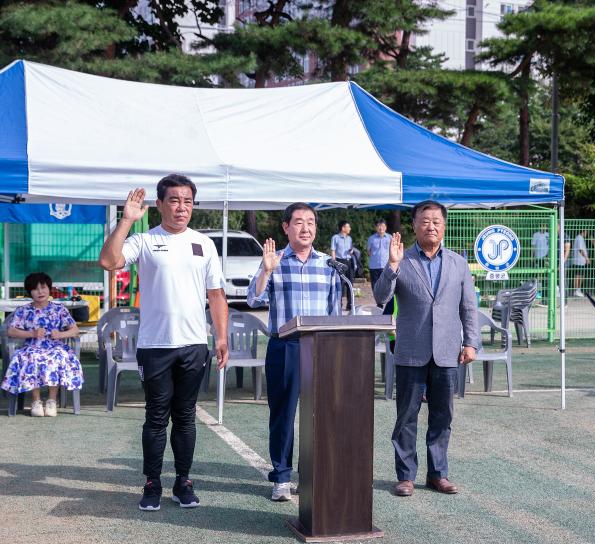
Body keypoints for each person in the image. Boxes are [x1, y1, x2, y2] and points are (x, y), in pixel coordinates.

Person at [99, 175, 229, 512]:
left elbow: (216, 295)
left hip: (193, 345)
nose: (181, 207)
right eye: (174, 200)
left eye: (187, 201)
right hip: (155, 345)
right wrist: (127, 219)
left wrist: (222, 336)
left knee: (185, 416)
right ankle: (152, 482)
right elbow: (108, 262)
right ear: (159, 205)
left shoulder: (205, 244)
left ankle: (183, 481)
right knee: (156, 417)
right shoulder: (143, 240)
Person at [373, 200, 479, 497]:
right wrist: (392, 265)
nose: (430, 226)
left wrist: (471, 342)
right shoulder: (402, 259)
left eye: (436, 221)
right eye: (424, 220)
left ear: (443, 226)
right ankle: (405, 476)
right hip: (410, 350)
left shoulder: (458, 263)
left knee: (443, 416)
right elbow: (381, 298)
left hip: (447, 351)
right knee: (406, 416)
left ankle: (438, 474)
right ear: (414, 225)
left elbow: (468, 307)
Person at [247, 203, 341, 502]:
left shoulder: (328, 265)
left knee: (319, 416)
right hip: (284, 346)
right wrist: (265, 269)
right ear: (286, 227)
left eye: (311, 222)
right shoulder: (274, 262)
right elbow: (253, 298)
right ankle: (282, 478)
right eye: (298, 222)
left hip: (320, 348)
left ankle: (312, 475)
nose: (306, 228)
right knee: (283, 414)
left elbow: (335, 313)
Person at [1, 272, 83, 417]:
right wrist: (31, 334)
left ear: (49, 288)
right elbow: (11, 331)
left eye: (43, 287)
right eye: (35, 289)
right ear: (30, 292)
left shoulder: (59, 309)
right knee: (31, 357)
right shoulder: (23, 310)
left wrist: (60, 334)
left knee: (58, 356)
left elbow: (75, 330)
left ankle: (51, 400)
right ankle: (36, 400)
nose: (40, 292)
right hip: (31, 346)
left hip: (55, 347)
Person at [366, 219, 393, 313]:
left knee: (388, 285)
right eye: (379, 226)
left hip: (386, 265)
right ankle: (379, 303)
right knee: (375, 285)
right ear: (376, 227)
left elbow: (392, 251)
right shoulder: (371, 238)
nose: (381, 228)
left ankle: (389, 303)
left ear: (386, 227)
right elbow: (368, 251)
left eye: (383, 226)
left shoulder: (390, 238)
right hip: (374, 265)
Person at [331, 220, 355, 311]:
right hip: (339, 262)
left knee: (350, 283)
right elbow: (333, 250)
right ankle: (339, 304)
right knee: (339, 284)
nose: (350, 228)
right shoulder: (335, 238)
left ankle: (350, 305)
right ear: (343, 228)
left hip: (348, 261)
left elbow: (351, 249)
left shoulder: (349, 238)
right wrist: (334, 263)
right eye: (348, 227)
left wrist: (351, 251)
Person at [571, 229, 589, 297]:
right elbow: (580, 250)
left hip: (580, 261)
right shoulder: (579, 238)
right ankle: (576, 290)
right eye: (586, 232)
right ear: (583, 231)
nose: (587, 234)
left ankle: (578, 289)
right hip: (579, 261)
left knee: (580, 276)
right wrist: (586, 258)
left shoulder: (579, 238)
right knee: (578, 276)